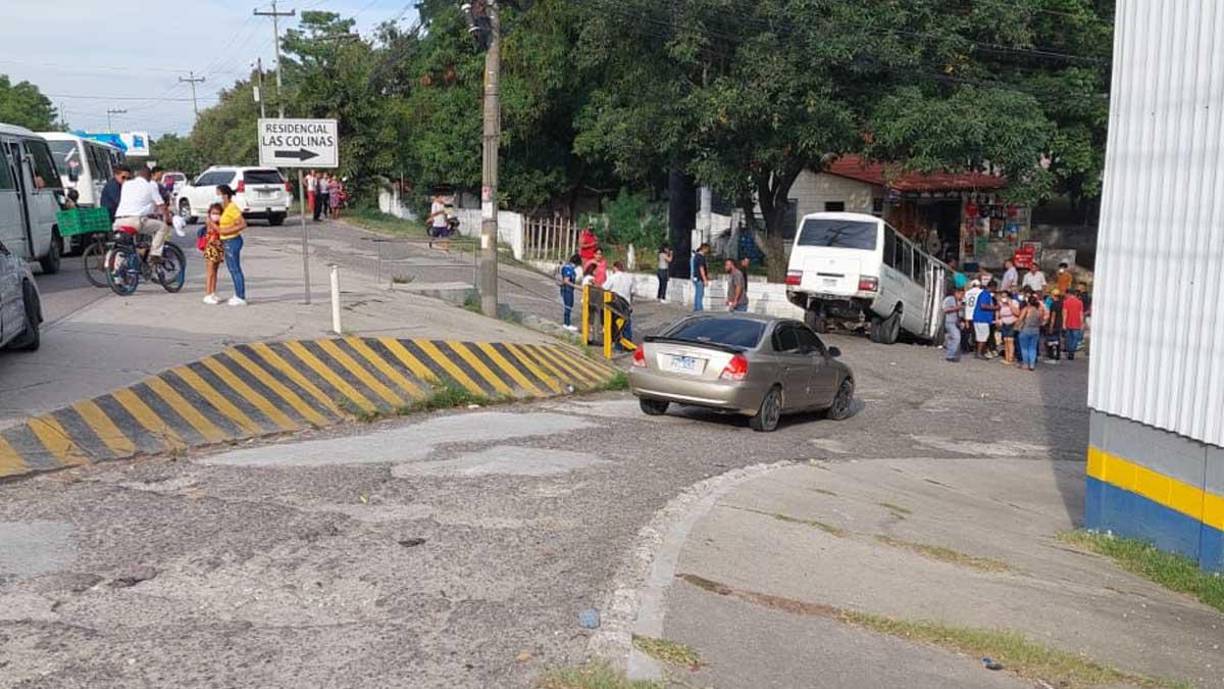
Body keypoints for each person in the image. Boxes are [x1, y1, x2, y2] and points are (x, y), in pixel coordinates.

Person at [112, 165, 171, 263]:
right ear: (149, 176)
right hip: (134, 221)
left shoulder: (126, 184)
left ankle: (116, 274)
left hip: (118, 221)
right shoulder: (150, 185)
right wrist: (168, 218)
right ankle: (155, 254)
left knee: (123, 246)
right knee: (163, 227)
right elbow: (161, 205)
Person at [217, 184, 248, 306]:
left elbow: (242, 224)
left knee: (235, 269)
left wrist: (227, 231)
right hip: (226, 240)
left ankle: (241, 296)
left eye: (218, 194)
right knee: (231, 268)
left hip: (232, 240)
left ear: (225, 195)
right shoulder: (223, 209)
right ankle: (237, 293)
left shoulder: (232, 208)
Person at [197, 203, 225, 305]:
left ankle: (213, 292)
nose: (216, 215)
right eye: (213, 213)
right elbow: (211, 237)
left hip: (218, 248)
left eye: (218, 213)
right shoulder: (210, 224)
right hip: (211, 249)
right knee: (210, 272)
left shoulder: (219, 224)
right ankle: (208, 293)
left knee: (215, 271)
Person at [603, 261, 635, 346]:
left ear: (615, 268)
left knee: (616, 325)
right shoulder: (629, 278)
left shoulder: (612, 277)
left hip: (615, 305)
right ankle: (628, 342)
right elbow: (632, 293)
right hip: (626, 304)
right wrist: (631, 304)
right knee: (626, 324)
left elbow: (604, 289)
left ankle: (618, 345)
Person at [972, 280, 998, 359]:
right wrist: (995, 308)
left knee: (981, 336)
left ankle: (979, 352)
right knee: (983, 336)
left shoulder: (986, 294)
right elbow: (983, 306)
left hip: (981, 318)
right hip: (982, 318)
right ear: (992, 287)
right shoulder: (985, 294)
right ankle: (979, 353)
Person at [1017, 295, 1044, 371]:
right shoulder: (1039, 311)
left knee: (1024, 348)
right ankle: (1032, 365)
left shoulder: (1026, 309)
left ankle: (1025, 364)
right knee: (1033, 348)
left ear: (1028, 302)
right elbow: (1041, 321)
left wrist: (1017, 327)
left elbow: (1020, 319)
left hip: (1026, 329)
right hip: (1035, 330)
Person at [997, 288, 1021, 364]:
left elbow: (1017, 313)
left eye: (1005, 296)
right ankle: (1006, 358)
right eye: (1002, 296)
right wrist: (998, 320)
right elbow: (999, 313)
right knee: (1005, 340)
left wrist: (1010, 304)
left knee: (1010, 341)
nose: (1003, 298)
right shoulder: (1001, 303)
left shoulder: (1014, 302)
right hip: (1004, 323)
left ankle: (1010, 358)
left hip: (1012, 323)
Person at [1063, 288, 1085, 360]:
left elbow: (1065, 313)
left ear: (1068, 294)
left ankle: (1070, 351)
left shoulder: (1066, 302)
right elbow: (1081, 314)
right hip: (1077, 323)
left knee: (1069, 338)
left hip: (1068, 322)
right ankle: (1072, 351)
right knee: (1075, 339)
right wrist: (1082, 323)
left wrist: (1064, 323)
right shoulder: (1080, 302)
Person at [559, 253, 579, 332]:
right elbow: (566, 281)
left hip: (569, 290)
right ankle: (566, 323)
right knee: (568, 306)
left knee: (569, 305)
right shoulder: (568, 268)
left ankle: (567, 323)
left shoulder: (570, 268)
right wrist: (576, 286)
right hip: (567, 290)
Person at [942, 286, 963, 362]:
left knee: (952, 339)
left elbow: (960, 313)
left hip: (956, 322)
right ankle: (951, 355)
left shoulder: (960, 301)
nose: (961, 296)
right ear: (956, 293)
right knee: (957, 338)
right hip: (950, 322)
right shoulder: (949, 299)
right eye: (960, 294)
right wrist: (956, 308)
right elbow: (945, 309)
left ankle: (950, 354)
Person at [962, 279, 982, 354]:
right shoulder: (980, 292)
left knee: (966, 332)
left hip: (968, 314)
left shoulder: (967, 293)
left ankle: (965, 348)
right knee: (977, 333)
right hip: (977, 315)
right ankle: (976, 348)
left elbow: (964, 303)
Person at [1044, 288, 1065, 363]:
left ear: (1054, 296)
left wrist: (1051, 327)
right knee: (1057, 341)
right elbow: (1063, 313)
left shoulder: (1053, 304)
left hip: (1054, 325)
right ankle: (1058, 356)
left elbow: (1053, 316)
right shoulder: (1062, 303)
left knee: (1051, 341)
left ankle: (1052, 357)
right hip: (1059, 324)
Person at [691, 243, 709, 311]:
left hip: (696, 277)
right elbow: (701, 268)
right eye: (707, 249)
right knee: (700, 294)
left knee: (697, 294)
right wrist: (705, 279)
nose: (707, 251)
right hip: (700, 278)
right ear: (704, 249)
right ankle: (699, 309)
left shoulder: (696, 256)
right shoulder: (701, 257)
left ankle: (696, 308)